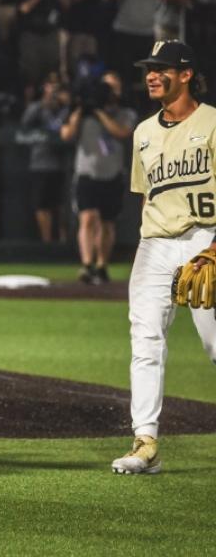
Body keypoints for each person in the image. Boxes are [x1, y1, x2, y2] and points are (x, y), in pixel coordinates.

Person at [113, 39, 216, 475]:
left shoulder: (212, 122)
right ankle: (145, 442)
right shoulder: (143, 132)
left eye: (162, 69)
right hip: (154, 243)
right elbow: (148, 197)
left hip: (205, 239)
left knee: (214, 343)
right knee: (145, 340)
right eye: (149, 70)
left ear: (186, 74)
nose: (152, 76)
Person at [60, 72, 134, 284]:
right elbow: (66, 134)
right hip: (87, 173)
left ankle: (102, 265)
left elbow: (121, 132)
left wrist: (100, 112)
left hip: (112, 174)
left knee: (107, 223)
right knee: (87, 218)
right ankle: (86, 264)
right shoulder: (82, 112)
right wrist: (81, 110)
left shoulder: (124, 112)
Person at [20, 77, 70, 244]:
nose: (53, 90)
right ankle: (46, 242)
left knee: (62, 205)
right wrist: (44, 102)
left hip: (62, 164)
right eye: (50, 86)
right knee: (42, 205)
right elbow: (25, 123)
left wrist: (67, 103)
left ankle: (63, 241)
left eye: (57, 87)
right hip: (40, 163)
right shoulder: (38, 107)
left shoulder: (65, 108)